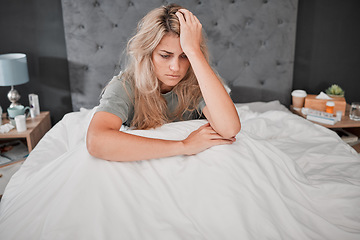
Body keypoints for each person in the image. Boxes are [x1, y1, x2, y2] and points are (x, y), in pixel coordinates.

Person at [86, 4, 241, 162]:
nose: (175, 67)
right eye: (165, 55)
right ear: (148, 54)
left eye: (184, 56)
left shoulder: (199, 80)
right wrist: (184, 146)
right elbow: (96, 141)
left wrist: (194, 51)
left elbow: (229, 129)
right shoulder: (125, 86)